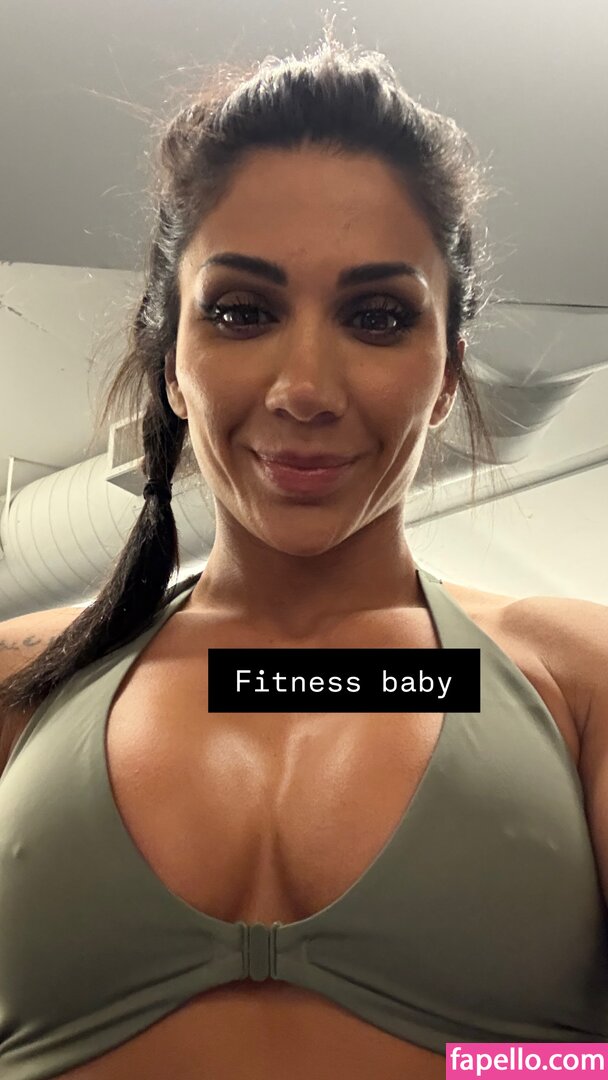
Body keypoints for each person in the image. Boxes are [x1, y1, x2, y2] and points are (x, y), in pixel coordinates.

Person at [1, 24, 607, 1080]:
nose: (306, 390)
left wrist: (510, 1065)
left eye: (377, 317)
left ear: (447, 372)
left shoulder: (579, 681)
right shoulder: (20, 684)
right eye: (242, 312)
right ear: (172, 361)